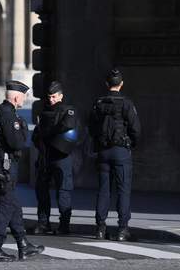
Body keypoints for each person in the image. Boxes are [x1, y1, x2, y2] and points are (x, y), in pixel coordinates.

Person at [0, 80, 44, 262]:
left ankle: (23, 245)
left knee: (13, 206)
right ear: (17, 97)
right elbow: (17, 143)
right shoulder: (9, 116)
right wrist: (24, 129)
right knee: (4, 207)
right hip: (4, 168)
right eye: (24, 97)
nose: (25, 100)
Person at [89, 69, 141, 241]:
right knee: (123, 191)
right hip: (121, 151)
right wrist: (131, 144)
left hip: (103, 151)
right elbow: (136, 129)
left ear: (106, 84)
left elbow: (91, 126)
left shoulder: (98, 102)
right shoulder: (126, 103)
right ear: (121, 83)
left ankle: (100, 228)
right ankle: (122, 230)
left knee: (104, 191)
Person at [32, 81, 77, 235]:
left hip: (61, 157)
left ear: (61, 96)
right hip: (46, 156)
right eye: (49, 96)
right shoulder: (44, 113)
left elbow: (68, 126)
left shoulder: (68, 111)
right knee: (42, 191)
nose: (51, 99)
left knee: (63, 191)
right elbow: (35, 136)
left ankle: (64, 225)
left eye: (54, 96)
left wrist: (47, 133)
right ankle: (44, 223)